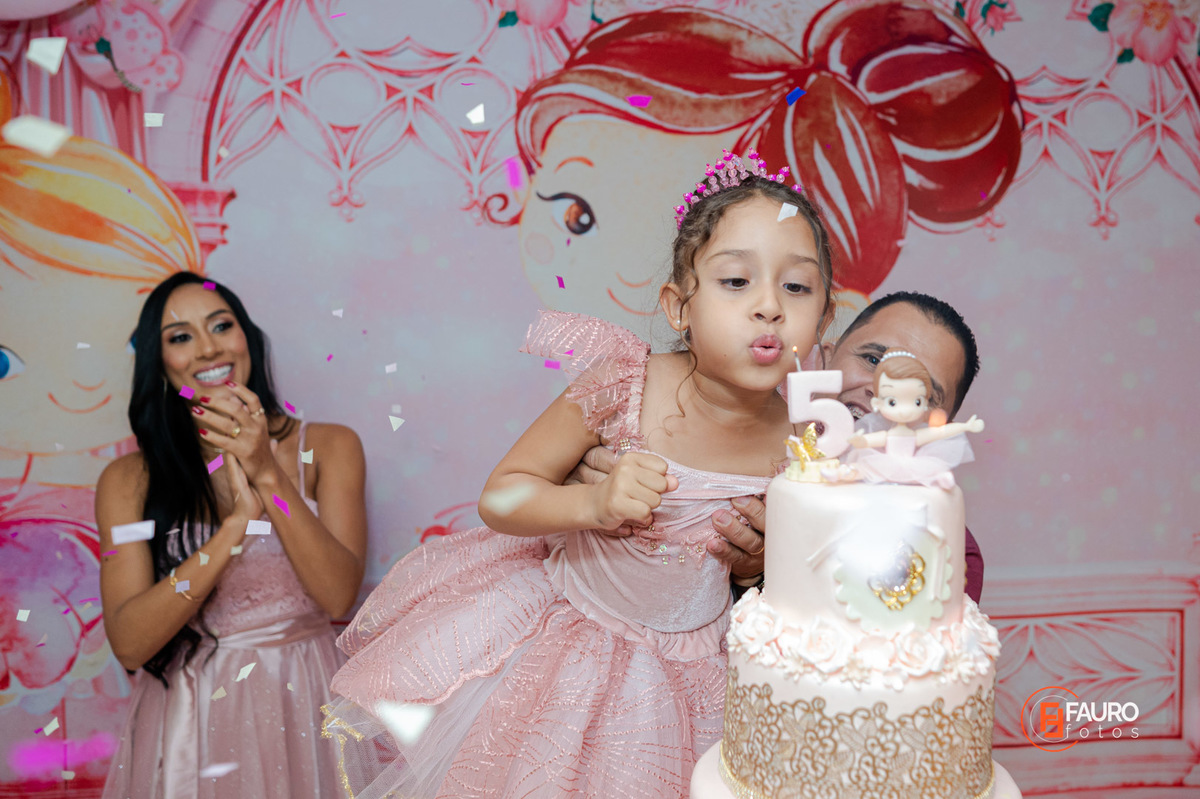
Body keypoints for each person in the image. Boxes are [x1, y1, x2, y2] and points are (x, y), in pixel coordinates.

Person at [322, 151, 836, 798]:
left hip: (700, 675)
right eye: (736, 281)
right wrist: (593, 504)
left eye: (797, 287)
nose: (769, 307)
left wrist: (767, 559)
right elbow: (503, 494)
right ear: (678, 306)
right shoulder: (623, 384)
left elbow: (816, 578)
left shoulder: (809, 441)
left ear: (825, 315)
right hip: (569, 650)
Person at [96, 272, 369, 798]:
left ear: (247, 338)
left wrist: (266, 471)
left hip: (302, 700)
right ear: (160, 364)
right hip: (190, 717)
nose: (208, 349)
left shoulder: (330, 447)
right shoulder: (129, 480)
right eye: (180, 337)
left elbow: (337, 594)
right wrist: (234, 529)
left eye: (221, 325)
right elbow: (130, 644)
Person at [572, 290, 988, 602]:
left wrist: (767, 571)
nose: (884, 391)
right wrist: (585, 489)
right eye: (873, 360)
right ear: (825, 358)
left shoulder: (948, 551)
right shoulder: (728, 432)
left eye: (921, 392)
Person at [843, 348, 986, 488]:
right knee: (863, 468)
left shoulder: (915, 435)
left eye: (917, 402)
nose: (905, 411)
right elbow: (871, 440)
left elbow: (940, 432)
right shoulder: (888, 435)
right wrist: (860, 441)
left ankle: (941, 478)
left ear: (925, 403)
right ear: (877, 403)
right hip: (886, 464)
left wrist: (966, 426)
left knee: (931, 472)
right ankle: (842, 473)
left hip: (913, 467)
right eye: (892, 402)